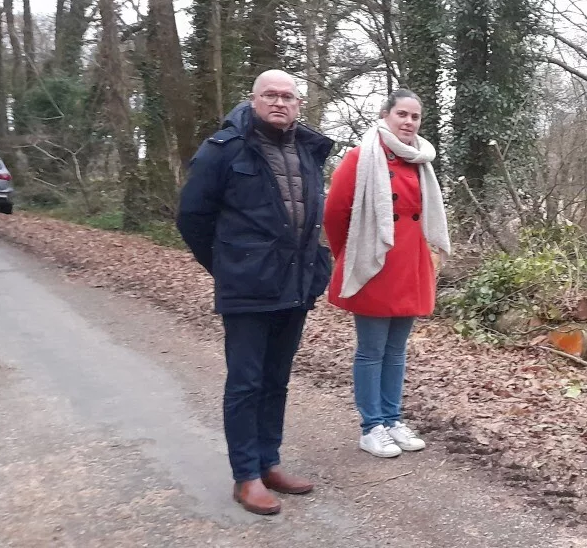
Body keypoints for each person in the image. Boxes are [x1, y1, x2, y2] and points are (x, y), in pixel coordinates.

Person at [176, 70, 335, 514]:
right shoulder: (221, 150)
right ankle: (245, 475)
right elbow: (192, 218)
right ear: (253, 99)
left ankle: (269, 462)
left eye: (288, 96)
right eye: (271, 95)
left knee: (276, 380)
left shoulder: (308, 148)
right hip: (248, 289)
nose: (280, 102)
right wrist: (228, 267)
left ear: (298, 104)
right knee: (246, 382)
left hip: (296, 284)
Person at [323, 89, 450, 459]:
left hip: (412, 264)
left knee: (396, 351)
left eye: (415, 116)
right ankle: (371, 426)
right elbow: (334, 213)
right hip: (375, 262)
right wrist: (351, 255)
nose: (409, 122)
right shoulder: (361, 158)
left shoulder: (421, 160)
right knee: (372, 349)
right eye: (402, 115)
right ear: (385, 115)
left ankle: (393, 420)